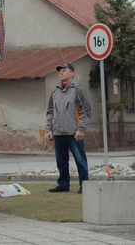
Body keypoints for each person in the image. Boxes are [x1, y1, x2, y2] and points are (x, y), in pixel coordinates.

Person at [45, 62, 92, 194]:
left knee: (80, 160)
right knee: (61, 161)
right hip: (59, 133)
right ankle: (63, 184)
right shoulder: (55, 93)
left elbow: (86, 111)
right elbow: (50, 112)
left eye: (65, 70)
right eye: (60, 71)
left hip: (74, 132)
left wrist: (81, 129)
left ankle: (84, 185)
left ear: (72, 73)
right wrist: (49, 129)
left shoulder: (78, 91)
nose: (61, 72)